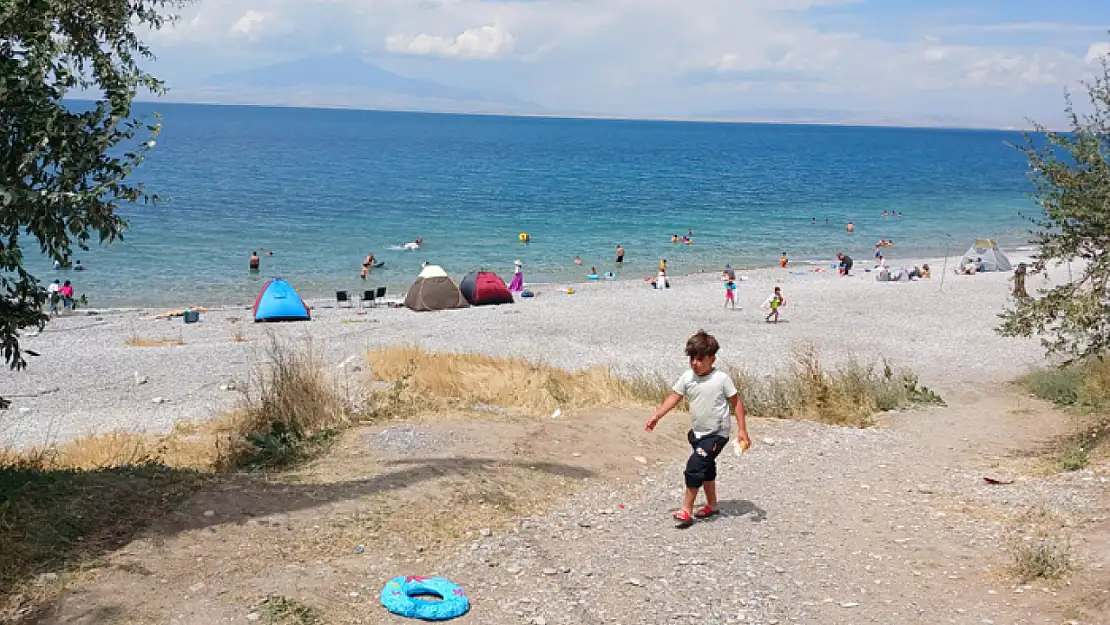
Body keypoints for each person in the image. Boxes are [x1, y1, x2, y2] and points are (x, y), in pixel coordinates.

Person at [645, 330, 751, 525]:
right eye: (692, 358)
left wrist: (742, 430)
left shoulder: (721, 379)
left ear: (712, 359)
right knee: (707, 467)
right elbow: (674, 397)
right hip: (698, 433)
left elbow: (736, 403)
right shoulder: (687, 377)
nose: (695, 363)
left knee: (694, 466)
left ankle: (686, 510)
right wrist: (657, 416)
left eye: (700, 359)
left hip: (717, 434)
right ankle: (712, 504)